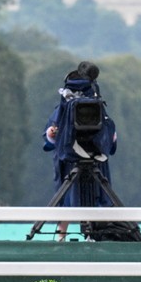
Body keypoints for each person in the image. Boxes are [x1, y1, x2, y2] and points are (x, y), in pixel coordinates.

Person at [43, 61, 117, 240]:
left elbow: (108, 134)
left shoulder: (77, 107)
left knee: (72, 198)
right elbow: (49, 137)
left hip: (83, 159)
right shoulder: (69, 108)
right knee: (70, 198)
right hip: (75, 161)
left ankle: (73, 237)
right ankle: (64, 236)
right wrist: (53, 134)